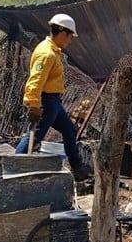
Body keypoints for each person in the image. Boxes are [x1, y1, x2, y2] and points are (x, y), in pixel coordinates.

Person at [15, 14, 90, 181]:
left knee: (69, 129)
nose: (70, 41)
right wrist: (34, 105)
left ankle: (77, 167)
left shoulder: (54, 51)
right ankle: (13, 167)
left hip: (54, 101)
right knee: (35, 135)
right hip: (46, 101)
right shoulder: (46, 53)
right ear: (63, 33)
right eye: (70, 37)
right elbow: (35, 81)